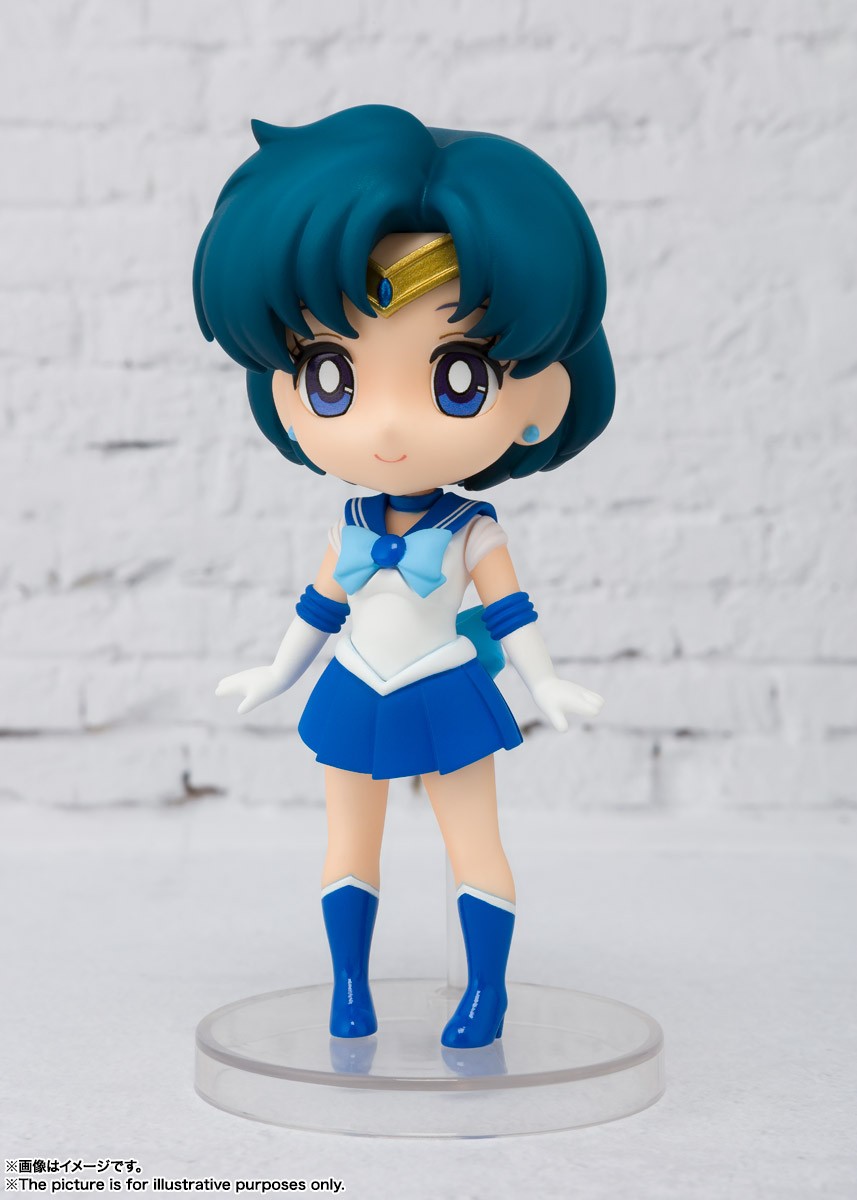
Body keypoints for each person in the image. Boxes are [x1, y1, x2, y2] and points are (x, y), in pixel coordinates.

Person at [193, 105, 614, 1049]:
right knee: (349, 842)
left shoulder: (471, 528)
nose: (384, 428)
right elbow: (319, 604)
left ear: (541, 400)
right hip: (354, 685)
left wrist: (544, 680)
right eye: (332, 376)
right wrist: (277, 671)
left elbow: (511, 610)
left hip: (445, 688)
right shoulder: (348, 524)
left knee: (473, 839)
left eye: (456, 378)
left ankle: (485, 993)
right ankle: (350, 985)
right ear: (287, 396)